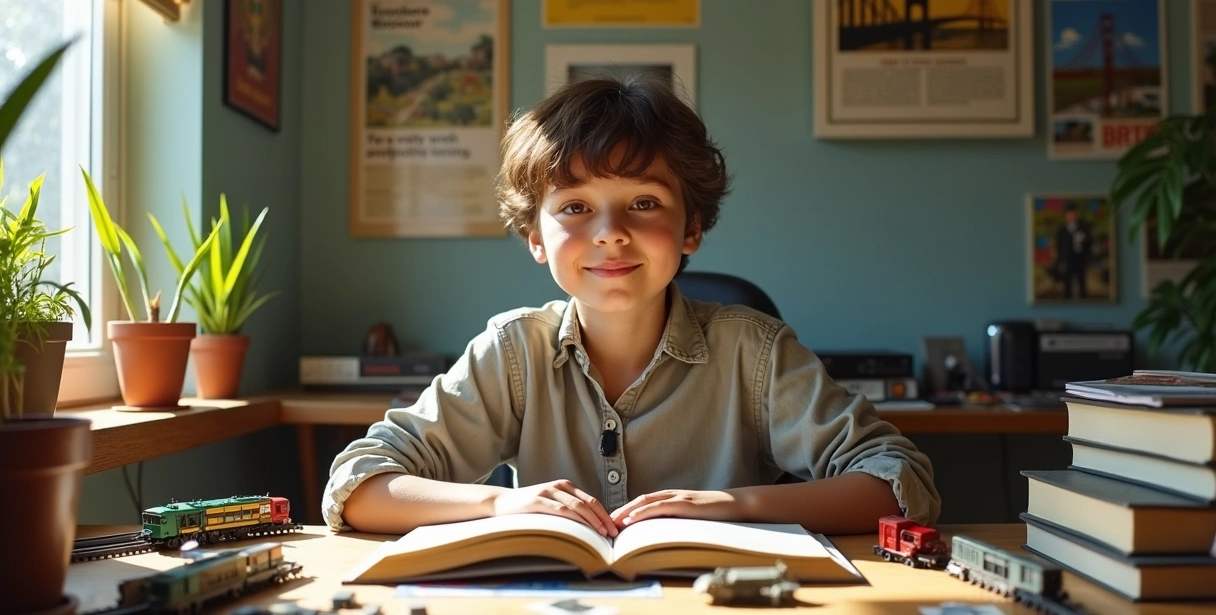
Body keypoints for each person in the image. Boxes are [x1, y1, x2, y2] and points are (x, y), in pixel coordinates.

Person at [323, 76, 940, 538]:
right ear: (535, 237)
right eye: (574, 207)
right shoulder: (511, 353)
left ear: (691, 226)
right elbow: (359, 487)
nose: (610, 232)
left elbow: (898, 482)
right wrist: (499, 502)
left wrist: (736, 505)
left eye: (643, 203)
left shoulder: (755, 352)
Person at [1054, 202, 1092, 299]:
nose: (1071, 216)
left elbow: (1089, 244)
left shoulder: (1083, 228)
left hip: (1080, 259)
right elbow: (1059, 247)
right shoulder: (1062, 230)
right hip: (1067, 260)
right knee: (1067, 284)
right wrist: (1060, 261)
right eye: (1069, 214)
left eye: (1073, 213)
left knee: (1081, 283)